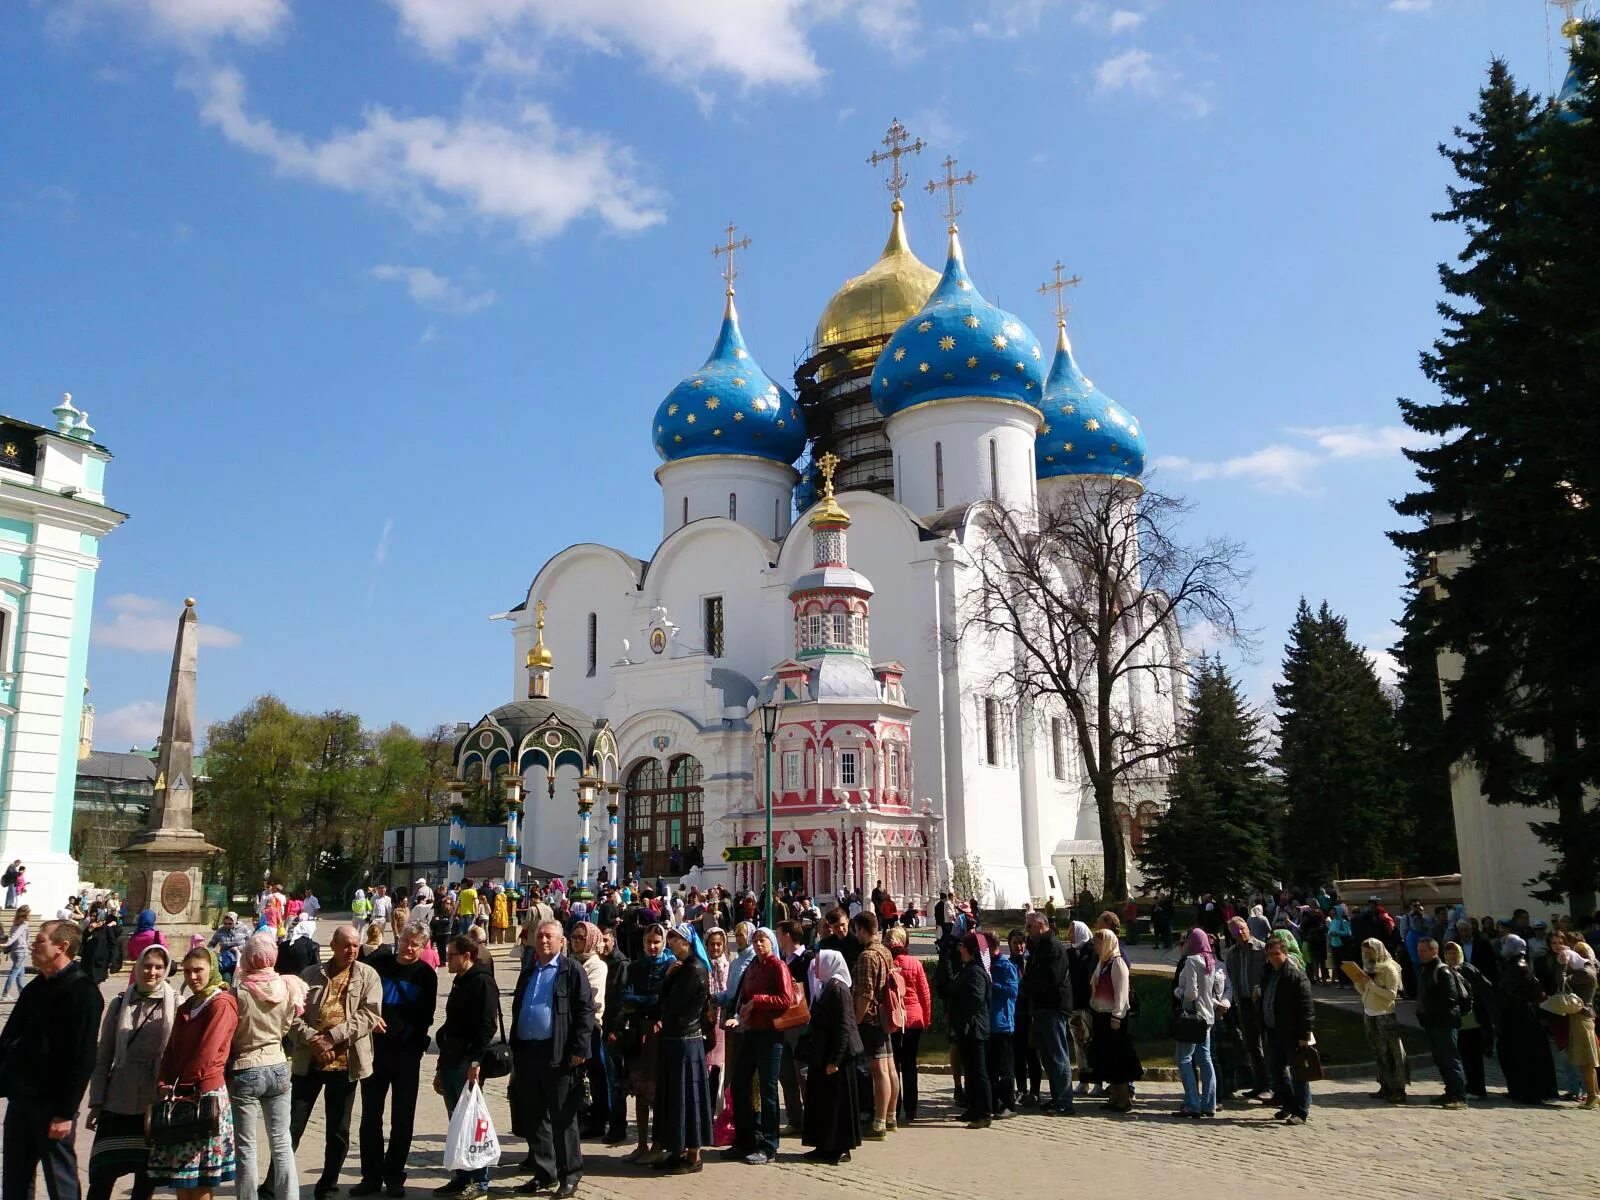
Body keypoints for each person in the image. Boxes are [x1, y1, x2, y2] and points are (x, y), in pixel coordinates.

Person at [0, 918, 105, 1200]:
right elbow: (9, 1039)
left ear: (62, 946)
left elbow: (83, 1058)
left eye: (40, 941)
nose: (33, 945)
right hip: (21, 1100)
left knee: (61, 1181)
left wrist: (65, 1112)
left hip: (52, 1107)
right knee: (14, 1180)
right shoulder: (35, 988)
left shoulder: (84, 993)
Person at [290, 924, 383, 1199]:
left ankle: (328, 1184)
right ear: (332, 945)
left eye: (355, 945)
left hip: (346, 1065)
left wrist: (332, 1037)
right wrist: (314, 1040)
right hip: (309, 1062)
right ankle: (274, 1183)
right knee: (292, 1124)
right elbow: (292, 1017)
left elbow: (369, 1015)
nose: (351, 950)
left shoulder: (368, 976)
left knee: (338, 1130)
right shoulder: (310, 975)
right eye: (345, 945)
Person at [510, 919, 594, 1200]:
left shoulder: (571, 970)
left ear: (561, 942)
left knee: (562, 1118)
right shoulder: (529, 970)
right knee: (534, 1117)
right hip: (527, 1052)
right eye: (540, 936)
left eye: (550, 937)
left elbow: (585, 1011)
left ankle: (570, 1174)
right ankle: (544, 1172)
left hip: (558, 1054)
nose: (544, 941)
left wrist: (580, 1049)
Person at [147, 948, 240, 1200]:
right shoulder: (189, 1004)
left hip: (205, 1095)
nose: (193, 977)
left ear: (211, 969)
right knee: (182, 1178)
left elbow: (206, 1053)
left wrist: (182, 1086)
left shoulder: (221, 1003)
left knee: (199, 1180)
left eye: (198, 970)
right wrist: (164, 1080)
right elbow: (172, 1049)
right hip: (180, 1095)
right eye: (187, 971)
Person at [86, 944, 177, 1200]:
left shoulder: (175, 1004)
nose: (152, 972)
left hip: (153, 1101)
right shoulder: (119, 1003)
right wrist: (96, 1101)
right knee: (102, 1175)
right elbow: (103, 1056)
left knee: (145, 1179)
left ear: (166, 970)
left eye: (159, 967)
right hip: (118, 1099)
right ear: (137, 967)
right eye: (147, 966)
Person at [357, 926, 437, 1196]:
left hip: (406, 1054)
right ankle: (370, 1176)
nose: (409, 948)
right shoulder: (379, 964)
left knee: (402, 1118)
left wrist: (407, 1037)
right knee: (370, 1116)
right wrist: (371, 1017)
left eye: (415, 944)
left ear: (423, 946)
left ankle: (393, 1176)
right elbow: (361, 996)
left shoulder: (426, 975)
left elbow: (426, 1016)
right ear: (398, 940)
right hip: (375, 1052)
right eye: (405, 942)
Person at [229, 932, 301, 1200]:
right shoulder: (287, 986)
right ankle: (289, 1196)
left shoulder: (239, 991)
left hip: (246, 1065)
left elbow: (232, 1030)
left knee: (246, 1146)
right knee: (282, 1141)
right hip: (278, 1063)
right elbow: (286, 1027)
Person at [432, 936, 497, 1200]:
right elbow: (452, 1023)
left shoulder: (483, 982)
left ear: (467, 955)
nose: (448, 959)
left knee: (471, 1122)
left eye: (451, 955)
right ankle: (460, 1175)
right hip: (450, 1059)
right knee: (457, 1122)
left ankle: (479, 1180)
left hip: (467, 1063)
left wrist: (476, 1061)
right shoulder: (460, 980)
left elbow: (486, 1026)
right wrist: (439, 1066)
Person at [726, 926, 792, 1165]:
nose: (758, 945)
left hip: (771, 1034)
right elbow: (744, 996)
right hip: (751, 1031)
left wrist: (757, 1001)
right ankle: (745, 1139)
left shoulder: (777, 966)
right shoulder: (753, 966)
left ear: (771, 942)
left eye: (763, 940)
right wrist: (741, 1010)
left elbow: (786, 999)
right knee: (739, 1083)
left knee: (768, 1089)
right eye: (755, 941)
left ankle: (769, 1144)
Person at [651, 924, 712, 1175]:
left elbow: (671, 1006)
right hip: (675, 1039)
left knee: (688, 1097)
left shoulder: (695, 970)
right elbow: (663, 1002)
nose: (671, 943)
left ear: (686, 942)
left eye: (674, 938)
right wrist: (668, 978)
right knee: (674, 1097)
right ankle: (676, 1149)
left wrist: (668, 986)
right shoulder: (681, 968)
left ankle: (693, 1154)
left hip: (686, 1040)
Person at [800, 949, 861, 1165]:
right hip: (822, 1054)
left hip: (837, 1059)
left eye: (818, 962)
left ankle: (840, 1147)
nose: (815, 967)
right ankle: (823, 1144)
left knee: (838, 1104)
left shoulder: (839, 988)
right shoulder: (827, 985)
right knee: (822, 1102)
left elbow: (844, 1027)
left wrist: (835, 1060)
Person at [619, 923, 671, 1163]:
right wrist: (647, 1001)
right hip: (638, 1032)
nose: (652, 946)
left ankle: (658, 1144)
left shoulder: (670, 966)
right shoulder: (636, 967)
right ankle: (641, 1143)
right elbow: (626, 997)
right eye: (649, 942)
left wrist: (645, 1002)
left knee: (657, 1091)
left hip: (660, 1035)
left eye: (657, 942)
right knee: (639, 1090)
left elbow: (664, 1001)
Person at [849, 912, 899, 1138]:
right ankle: (891, 1116)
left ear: (861, 929)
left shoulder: (867, 956)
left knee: (879, 1071)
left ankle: (879, 1122)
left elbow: (865, 993)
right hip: (886, 1015)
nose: (856, 935)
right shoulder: (886, 951)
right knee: (889, 1067)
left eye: (856, 930)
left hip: (871, 1019)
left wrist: (856, 1020)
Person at [1021, 912, 1075, 1114]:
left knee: (1057, 1054)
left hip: (1053, 1006)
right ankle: (1056, 1096)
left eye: (1030, 927)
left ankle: (1064, 1101)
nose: (1027, 930)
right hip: (1041, 1006)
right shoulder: (1039, 947)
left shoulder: (1053, 947)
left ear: (1040, 925)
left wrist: (1029, 985)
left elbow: (1051, 977)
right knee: (1047, 1056)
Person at [1260, 932, 1314, 1125]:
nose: (1273, 957)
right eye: (1270, 954)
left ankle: (1301, 1111)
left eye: (1277, 953)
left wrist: (1304, 1034)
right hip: (1273, 1030)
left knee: (1298, 1072)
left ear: (1284, 953)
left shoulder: (1294, 976)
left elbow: (1306, 1007)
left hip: (1292, 1032)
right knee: (1276, 1070)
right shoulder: (1268, 974)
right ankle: (1289, 1105)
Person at [1173, 927, 1227, 1119]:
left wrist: (1178, 991)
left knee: (1184, 1059)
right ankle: (1209, 1103)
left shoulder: (1192, 961)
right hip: (1207, 1016)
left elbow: (1191, 993)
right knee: (1205, 1059)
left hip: (1192, 1017)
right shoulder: (1210, 960)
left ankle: (1192, 1103)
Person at [1087, 928, 1141, 1113]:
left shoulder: (1117, 963)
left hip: (1114, 1018)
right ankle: (1114, 1097)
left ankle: (1124, 1099)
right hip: (1100, 1015)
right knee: (1107, 1060)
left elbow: (1121, 992)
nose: (1096, 946)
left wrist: (1117, 1016)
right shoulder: (1103, 963)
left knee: (1118, 1060)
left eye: (1099, 942)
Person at [1351, 937, 1408, 1103]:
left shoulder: (1389, 968)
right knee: (1379, 1052)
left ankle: (1399, 1088)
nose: (1368, 955)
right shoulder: (1368, 966)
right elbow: (1364, 992)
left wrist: (1371, 985)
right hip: (1370, 1013)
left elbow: (1392, 995)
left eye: (1370, 951)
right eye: (1365, 952)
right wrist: (1358, 981)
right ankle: (1385, 1084)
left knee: (1394, 1053)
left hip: (1385, 1015)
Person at [1414, 937, 1468, 1109]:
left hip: (1444, 1023)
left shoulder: (1442, 971)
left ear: (1434, 951)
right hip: (1432, 1023)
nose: (1419, 953)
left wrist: (1429, 1010)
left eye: (1423, 950)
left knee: (1451, 1059)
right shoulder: (1426, 970)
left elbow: (1450, 998)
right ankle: (1450, 1092)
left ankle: (1459, 1095)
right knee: (1441, 1060)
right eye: (1419, 950)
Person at [569, 922, 611, 1140]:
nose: (576, 941)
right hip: (571, 1025)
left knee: (596, 1073)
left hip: (591, 1025)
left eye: (581, 938)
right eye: (574, 937)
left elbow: (589, 997)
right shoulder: (570, 962)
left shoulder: (596, 965)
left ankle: (598, 1118)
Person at [885, 926, 932, 1122]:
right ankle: (911, 1109)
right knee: (910, 1064)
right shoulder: (915, 963)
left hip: (894, 1017)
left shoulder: (887, 963)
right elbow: (924, 993)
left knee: (893, 1063)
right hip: (914, 1018)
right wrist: (927, 1017)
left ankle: (893, 1107)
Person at [948, 932, 993, 1128]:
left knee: (978, 1071)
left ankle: (983, 1112)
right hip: (967, 1028)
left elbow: (975, 999)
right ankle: (973, 1108)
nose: (960, 951)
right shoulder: (969, 969)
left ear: (970, 950)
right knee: (971, 1071)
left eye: (963, 947)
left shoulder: (975, 972)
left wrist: (959, 1014)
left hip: (974, 1027)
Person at [1442, 940, 1493, 1100]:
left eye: (1454, 953)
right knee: (1464, 1055)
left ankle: (1477, 1087)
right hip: (1458, 1020)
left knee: (1473, 1056)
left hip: (1472, 1020)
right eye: (1448, 953)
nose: (1451, 956)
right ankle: (1471, 1085)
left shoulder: (1467, 969)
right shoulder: (1445, 970)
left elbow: (1485, 986)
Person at [597, 926, 631, 1145]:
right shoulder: (599, 963)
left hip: (613, 1030)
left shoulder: (621, 965)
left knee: (616, 1079)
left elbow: (621, 1000)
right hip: (600, 1028)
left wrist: (615, 1029)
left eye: (606, 940)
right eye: (600, 940)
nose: (603, 944)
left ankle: (619, 1125)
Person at [986, 930, 1019, 1117]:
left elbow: (1012, 991)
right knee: (991, 1066)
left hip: (1002, 1023)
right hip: (988, 1022)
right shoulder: (986, 965)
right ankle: (993, 1101)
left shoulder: (1005, 966)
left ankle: (1008, 1104)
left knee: (1005, 1067)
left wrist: (993, 984)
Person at [1564, 939, 1599, 1107]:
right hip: (1584, 1016)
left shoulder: (1585, 972)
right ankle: (1595, 1093)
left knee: (1586, 1060)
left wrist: (1564, 967)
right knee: (1587, 1059)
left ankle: (1592, 1095)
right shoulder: (1588, 970)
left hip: (1582, 1016)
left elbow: (1564, 981)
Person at [208, 914, 248, 984]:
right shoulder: (220, 930)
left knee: (239, 983)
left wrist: (239, 948)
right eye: (225, 923)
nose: (227, 925)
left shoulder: (244, 928)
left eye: (230, 923)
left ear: (236, 922)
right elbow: (211, 945)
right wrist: (213, 952)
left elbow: (250, 943)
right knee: (227, 980)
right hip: (226, 961)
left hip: (240, 961)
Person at [2, 904, 30, 1000]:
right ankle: (5, 994)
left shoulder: (15, 923)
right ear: (26, 914)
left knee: (20, 974)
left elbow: (15, 936)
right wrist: (6, 944)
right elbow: (15, 936)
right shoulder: (24, 924)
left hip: (14, 952)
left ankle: (22, 994)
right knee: (14, 973)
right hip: (21, 952)